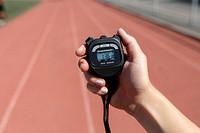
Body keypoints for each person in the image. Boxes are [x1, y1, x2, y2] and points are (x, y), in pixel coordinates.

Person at [76, 28, 200, 133]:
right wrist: (141, 99)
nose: (106, 58)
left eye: (107, 56)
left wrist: (141, 97)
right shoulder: (114, 45)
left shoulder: (96, 48)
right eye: (103, 56)